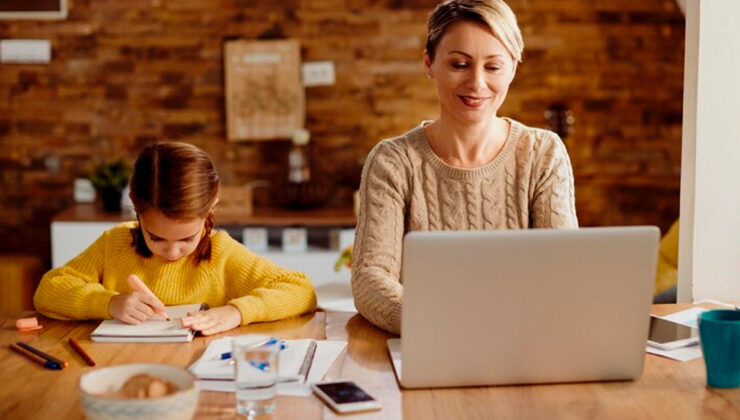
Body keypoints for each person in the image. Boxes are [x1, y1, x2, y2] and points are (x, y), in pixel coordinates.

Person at [352, 0, 578, 334]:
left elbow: (563, 271)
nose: (476, 83)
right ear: (429, 63)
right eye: (459, 64)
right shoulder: (392, 162)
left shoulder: (543, 153)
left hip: (521, 339)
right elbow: (370, 280)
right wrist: (444, 324)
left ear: (514, 68)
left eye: (494, 67)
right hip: (430, 339)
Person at [34, 141, 316, 335]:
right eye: (155, 238)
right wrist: (108, 303)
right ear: (136, 209)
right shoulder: (114, 244)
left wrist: (237, 312)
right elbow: (48, 291)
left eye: (187, 239)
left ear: (211, 208)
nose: (171, 252)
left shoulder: (221, 252)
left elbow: (301, 290)